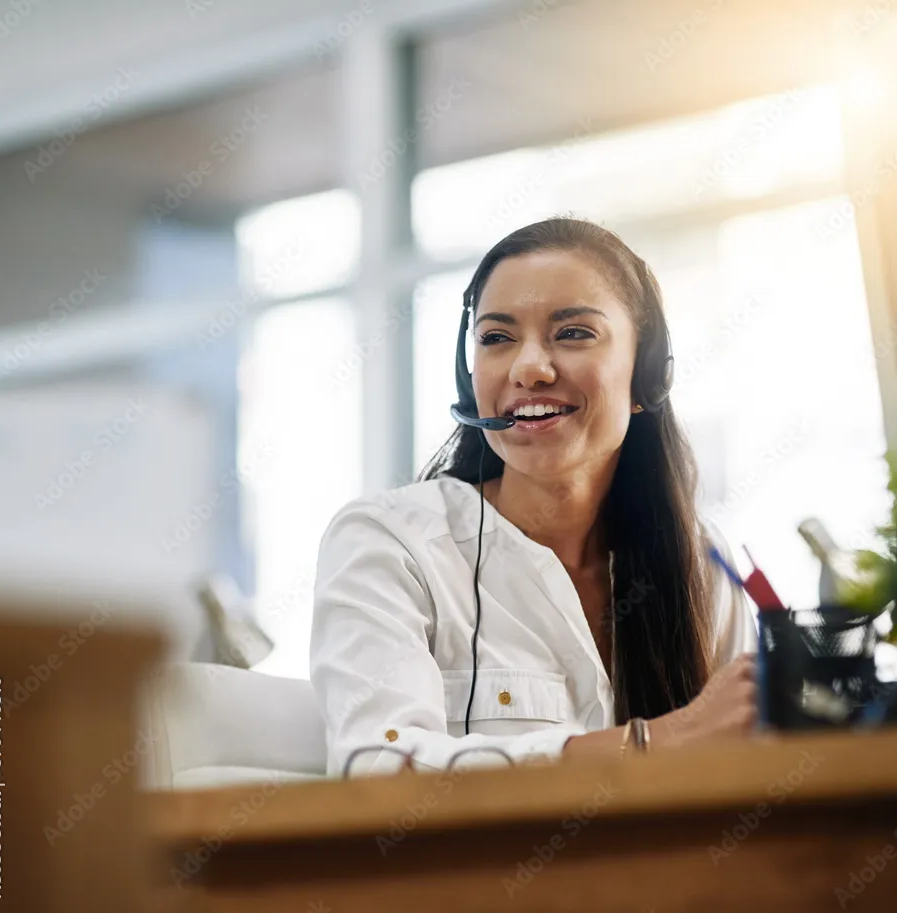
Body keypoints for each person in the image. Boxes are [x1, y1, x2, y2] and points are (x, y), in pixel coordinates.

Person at [311, 217, 757, 777]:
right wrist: (653, 743)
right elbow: (377, 769)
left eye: (573, 333)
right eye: (497, 338)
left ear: (646, 375)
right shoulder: (391, 543)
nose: (529, 369)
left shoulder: (702, 563)